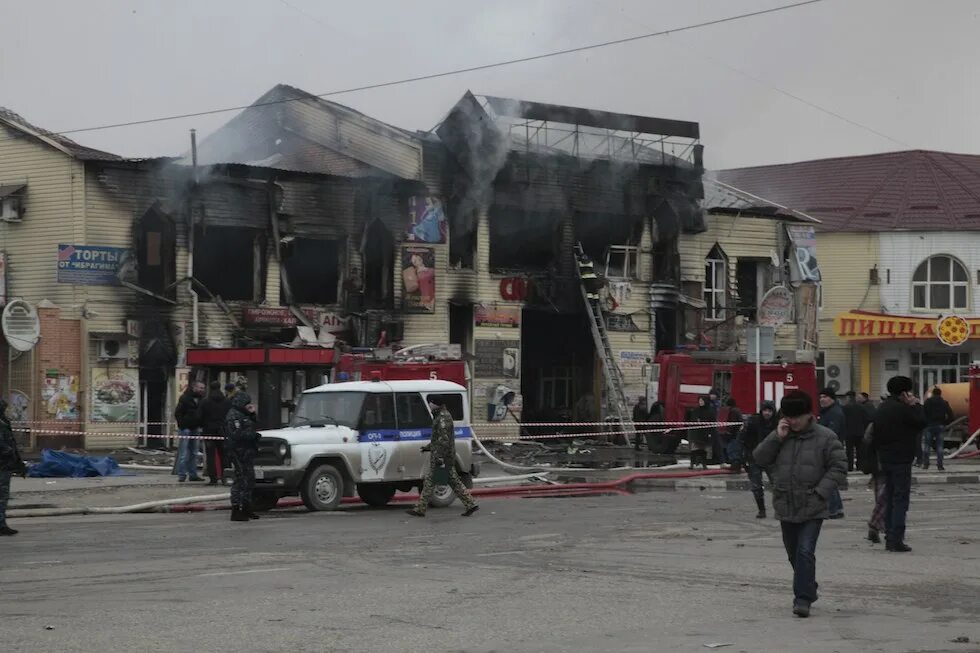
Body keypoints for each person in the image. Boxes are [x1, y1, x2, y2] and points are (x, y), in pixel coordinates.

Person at [753, 390, 847, 618]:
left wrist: (821, 493)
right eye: (789, 416)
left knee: (805, 551)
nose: (793, 421)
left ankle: (802, 599)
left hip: (813, 504)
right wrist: (777, 437)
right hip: (785, 503)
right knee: (793, 553)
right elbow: (759, 458)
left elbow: (839, 467)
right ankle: (808, 586)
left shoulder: (826, 437)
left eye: (797, 417)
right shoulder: (781, 435)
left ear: (809, 415)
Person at [872, 376, 926, 552]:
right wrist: (916, 405)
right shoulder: (903, 409)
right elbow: (920, 423)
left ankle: (889, 535)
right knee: (900, 499)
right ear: (904, 392)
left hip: (884, 458)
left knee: (889, 496)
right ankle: (896, 538)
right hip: (901, 459)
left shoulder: (882, 408)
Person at [407, 396, 478, 518]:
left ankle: (420, 509)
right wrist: (428, 447)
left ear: (435, 404)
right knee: (453, 481)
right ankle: (471, 504)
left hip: (442, 457)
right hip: (444, 456)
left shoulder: (442, 418)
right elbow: (437, 439)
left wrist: (440, 457)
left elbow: (443, 440)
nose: (429, 404)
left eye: (430, 402)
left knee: (430, 481)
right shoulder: (440, 416)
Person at [739, 400, 778, 519]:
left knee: (777, 485)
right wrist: (743, 458)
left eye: (769, 411)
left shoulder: (777, 424)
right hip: (754, 458)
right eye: (765, 410)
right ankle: (761, 510)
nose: (767, 413)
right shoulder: (753, 422)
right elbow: (741, 439)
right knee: (756, 486)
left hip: (771, 459)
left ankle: (779, 509)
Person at [225, 391, 260, 522]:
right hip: (238, 451)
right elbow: (236, 434)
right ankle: (236, 509)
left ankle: (247, 507)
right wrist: (252, 436)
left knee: (250, 479)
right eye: (246, 403)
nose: (248, 405)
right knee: (240, 480)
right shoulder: (233, 415)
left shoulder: (244, 414)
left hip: (247, 451)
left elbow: (254, 424)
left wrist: (252, 414)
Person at [817, 388, 846, 519]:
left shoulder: (834, 413)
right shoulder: (828, 412)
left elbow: (831, 434)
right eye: (821, 396)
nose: (822, 399)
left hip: (830, 450)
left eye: (825, 397)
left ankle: (833, 509)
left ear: (832, 398)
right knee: (830, 479)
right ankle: (837, 508)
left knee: (828, 479)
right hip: (829, 449)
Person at [0, 398, 28, 536]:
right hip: (3, 465)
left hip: (5, 464)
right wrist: (10, 454)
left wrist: (18, 463)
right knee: (2, 496)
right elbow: (5, 446)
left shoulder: (4, 422)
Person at [197, 381, 232, 485]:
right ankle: (226, 477)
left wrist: (202, 425)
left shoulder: (205, 402)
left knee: (210, 455)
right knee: (224, 455)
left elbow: (199, 416)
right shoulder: (227, 401)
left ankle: (213, 478)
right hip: (223, 431)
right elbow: (230, 415)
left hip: (209, 431)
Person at [174, 381, 205, 482]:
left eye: (203, 388)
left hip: (195, 428)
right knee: (184, 453)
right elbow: (177, 413)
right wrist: (182, 425)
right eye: (200, 388)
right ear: (194, 387)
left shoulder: (201, 399)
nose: (202, 390)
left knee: (194, 452)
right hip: (186, 429)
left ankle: (193, 474)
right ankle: (182, 475)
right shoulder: (185, 398)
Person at [922, 387, 953, 471]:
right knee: (940, 446)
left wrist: (925, 423)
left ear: (933, 393)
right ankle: (940, 465)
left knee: (927, 446)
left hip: (929, 426)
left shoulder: (927, 402)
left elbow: (923, 414)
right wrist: (945, 423)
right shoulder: (944, 402)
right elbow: (951, 415)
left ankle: (926, 464)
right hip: (940, 425)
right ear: (940, 394)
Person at [842, 390, 872, 472]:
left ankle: (850, 467)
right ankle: (860, 466)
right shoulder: (861, 407)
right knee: (860, 451)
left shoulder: (845, 408)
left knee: (849, 451)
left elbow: (842, 420)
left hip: (849, 433)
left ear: (848, 398)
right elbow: (867, 419)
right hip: (860, 432)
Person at [687, 396, 714, 470]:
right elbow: (692, 419)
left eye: (702, 401)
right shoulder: (696, 410)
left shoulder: (710, 411)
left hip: (705, 433)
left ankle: (704, 464)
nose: (700, 402)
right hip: (696, 433)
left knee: (703, 450)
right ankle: (692, 464)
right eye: (699, 401)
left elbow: (712, 421)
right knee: (694, 449)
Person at [723, 398, 745, 471]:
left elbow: (733, 422)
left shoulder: (733, 411)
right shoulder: (737, 410)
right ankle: (737, 465)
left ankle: (735, 466)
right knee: (736, 450)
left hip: (734, 434)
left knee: (731, 449)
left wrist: (729, 431)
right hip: (738, 434)